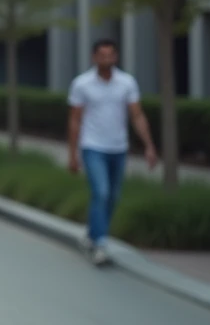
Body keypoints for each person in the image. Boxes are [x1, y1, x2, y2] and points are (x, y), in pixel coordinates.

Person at [67, 39, 158, 265]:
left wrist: (149, 145)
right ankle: (100, 243)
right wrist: (72, 153)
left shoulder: (126, 83)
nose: (106, 59)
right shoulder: (82, 84)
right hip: (92, 146)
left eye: (110, 55)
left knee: (113, 197)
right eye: (102, 55)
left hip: (118, 147)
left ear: (116, 57)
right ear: (94, 57)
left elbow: (137, 115)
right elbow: (75, 120)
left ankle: (91, 234)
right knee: (102, 192)